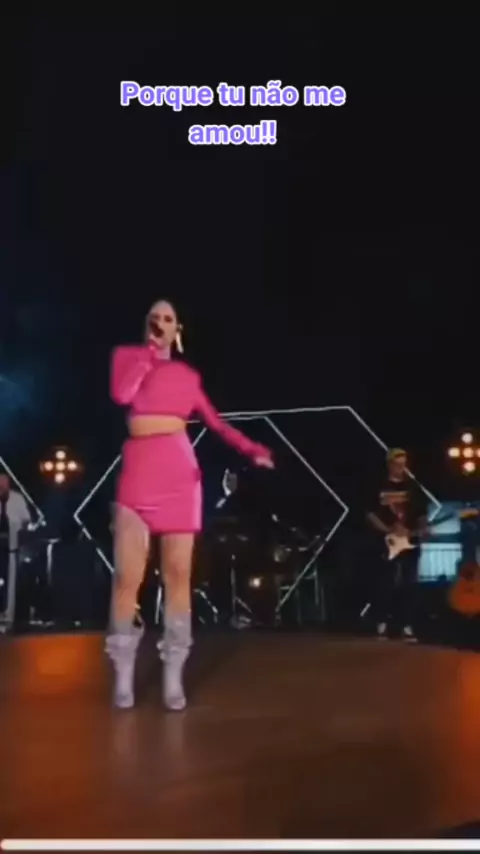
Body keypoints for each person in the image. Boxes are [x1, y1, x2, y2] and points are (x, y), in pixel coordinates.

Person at [106, 299, 274, 711]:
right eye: (154, 317)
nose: (160, 322)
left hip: (178, 475)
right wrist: (149, 353)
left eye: (168, 318)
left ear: (177, 329)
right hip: (138, 472)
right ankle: (123, 673)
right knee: (127, 575)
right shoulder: (127, 357)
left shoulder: (187, 375)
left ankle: (173, 674)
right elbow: (122, 393)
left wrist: (252, 449)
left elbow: (215, 422)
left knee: (178, 575)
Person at [366, 448, 428, 642]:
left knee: (410, 583)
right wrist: (387, 530)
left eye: (403, 464)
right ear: (389, 464)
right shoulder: (378, 486)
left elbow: (421, 513)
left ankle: (407, 625)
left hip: (409, 541)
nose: (400, 468)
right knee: (385, 583)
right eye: (396, 464)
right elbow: (369, 514)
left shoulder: (413, 487)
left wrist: (422, 529)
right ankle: (382, 623)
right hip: (387, 541)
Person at [0, 473, 31, 625]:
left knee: (10, 583)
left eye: (3, 483)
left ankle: (8, 615)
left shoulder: (17, 498)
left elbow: (26, 520)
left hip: (12, 548)